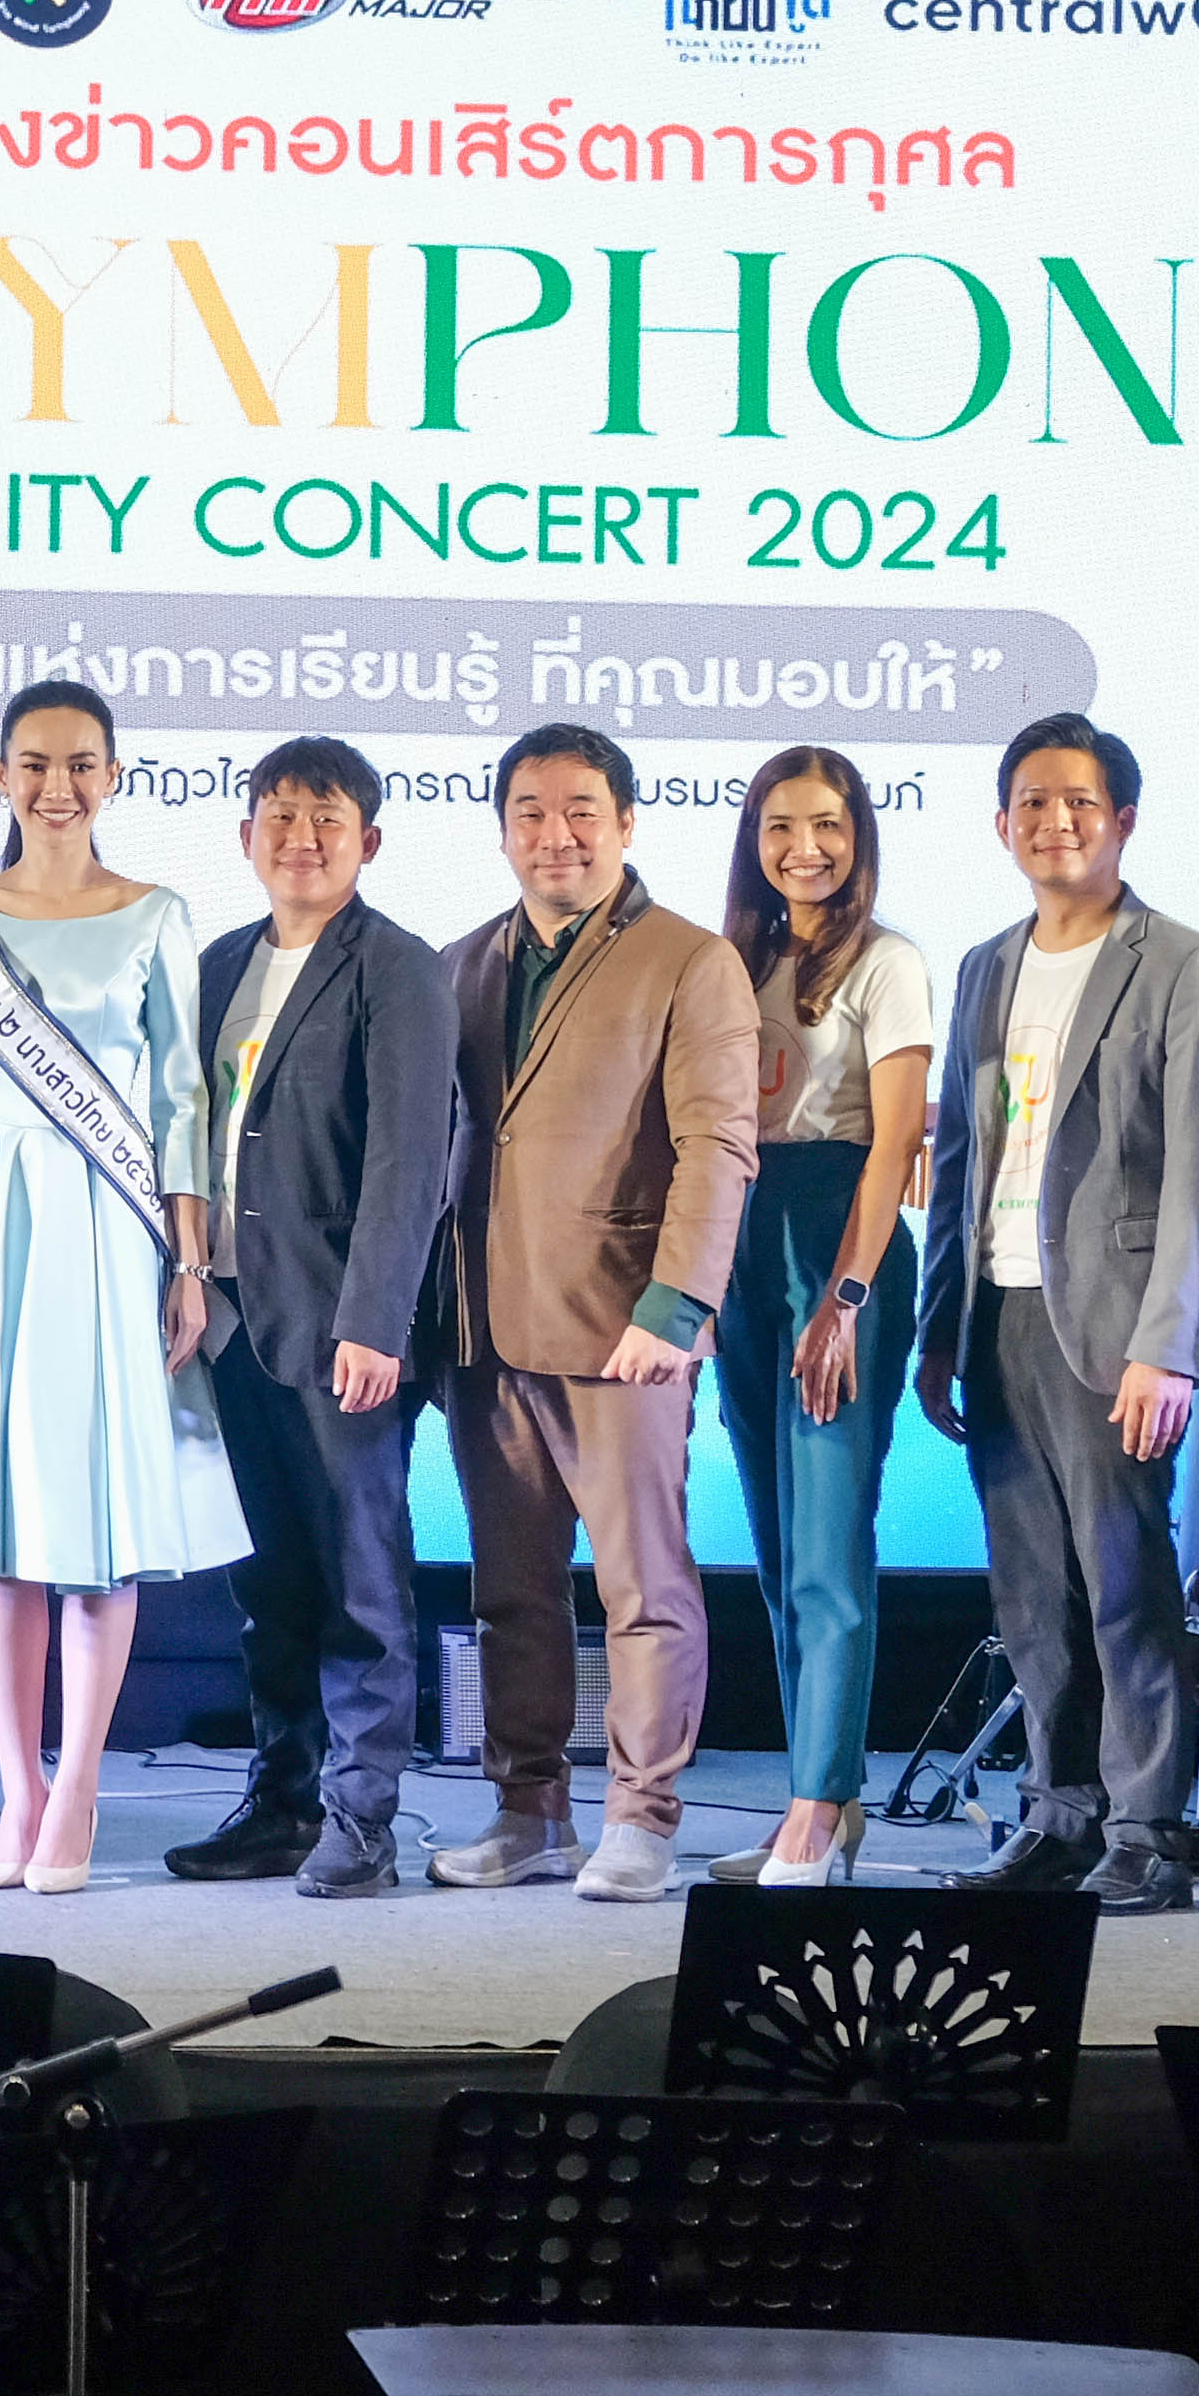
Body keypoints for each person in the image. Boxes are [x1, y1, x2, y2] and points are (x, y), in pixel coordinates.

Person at [0, 683, 246, 1893]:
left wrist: (188, 1262)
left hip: (112, 1232)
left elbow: (180, 1099)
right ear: (0, 774)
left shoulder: (157, 914)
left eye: (79, 763)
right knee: (4, 1527)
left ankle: (79, 1790)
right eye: (34, 763)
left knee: (97, 1524)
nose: (56, 785)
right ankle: (17, 1791)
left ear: (112, 775)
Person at [914, 716, 1199, 1915]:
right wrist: (937, 1332)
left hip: (1117, 1329)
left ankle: (1148, 1829)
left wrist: (1171, 1346)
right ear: (1002, 825)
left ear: (1124, 822)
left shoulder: (1187, 964)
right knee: (1031, 1598)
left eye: (1080, 803)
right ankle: (1059, 1818)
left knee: (1124, 1589)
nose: (1054, 822)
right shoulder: (986, 965)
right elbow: (960, 1161)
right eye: (1033, 803)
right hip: (998, 1312)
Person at [431, 723, 758, 1904]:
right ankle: (529, 1813)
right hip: (484, 1328)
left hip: (627, 1324)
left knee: (644, 1590)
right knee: (510, 1594)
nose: (554, 834)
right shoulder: (461, 963)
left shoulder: (690, 960)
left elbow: (720, 1145)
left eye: (580, 810)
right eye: (529, 811)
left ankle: (642, 1816)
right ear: (503, 830)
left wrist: (678, 1305)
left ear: (625, 822)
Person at [164, 736, 458, 1902]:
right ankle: (281, 1801)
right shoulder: (216, 965)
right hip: (232, 1320)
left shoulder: (399, 967)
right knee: (270, 1584)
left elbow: (409, 1159)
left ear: (367, 841)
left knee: (361, 1584)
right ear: (245, 836)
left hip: (343, 1329)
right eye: (280, 818)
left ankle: (362, 1817)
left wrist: (376, 1321)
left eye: (327, 820)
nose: (302, 839)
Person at [702, 747, 933, 1889]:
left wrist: (843, 1298)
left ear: (859, 836)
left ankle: (816, 1805)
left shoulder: (889, 962)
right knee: (776, 1543)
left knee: (829, 1540)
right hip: (739, 1232)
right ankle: (819, 1797)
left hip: (840, 1233)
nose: (806, 847)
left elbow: (895, 1144)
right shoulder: (729, 961)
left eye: (829, 825)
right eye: (782, 826)